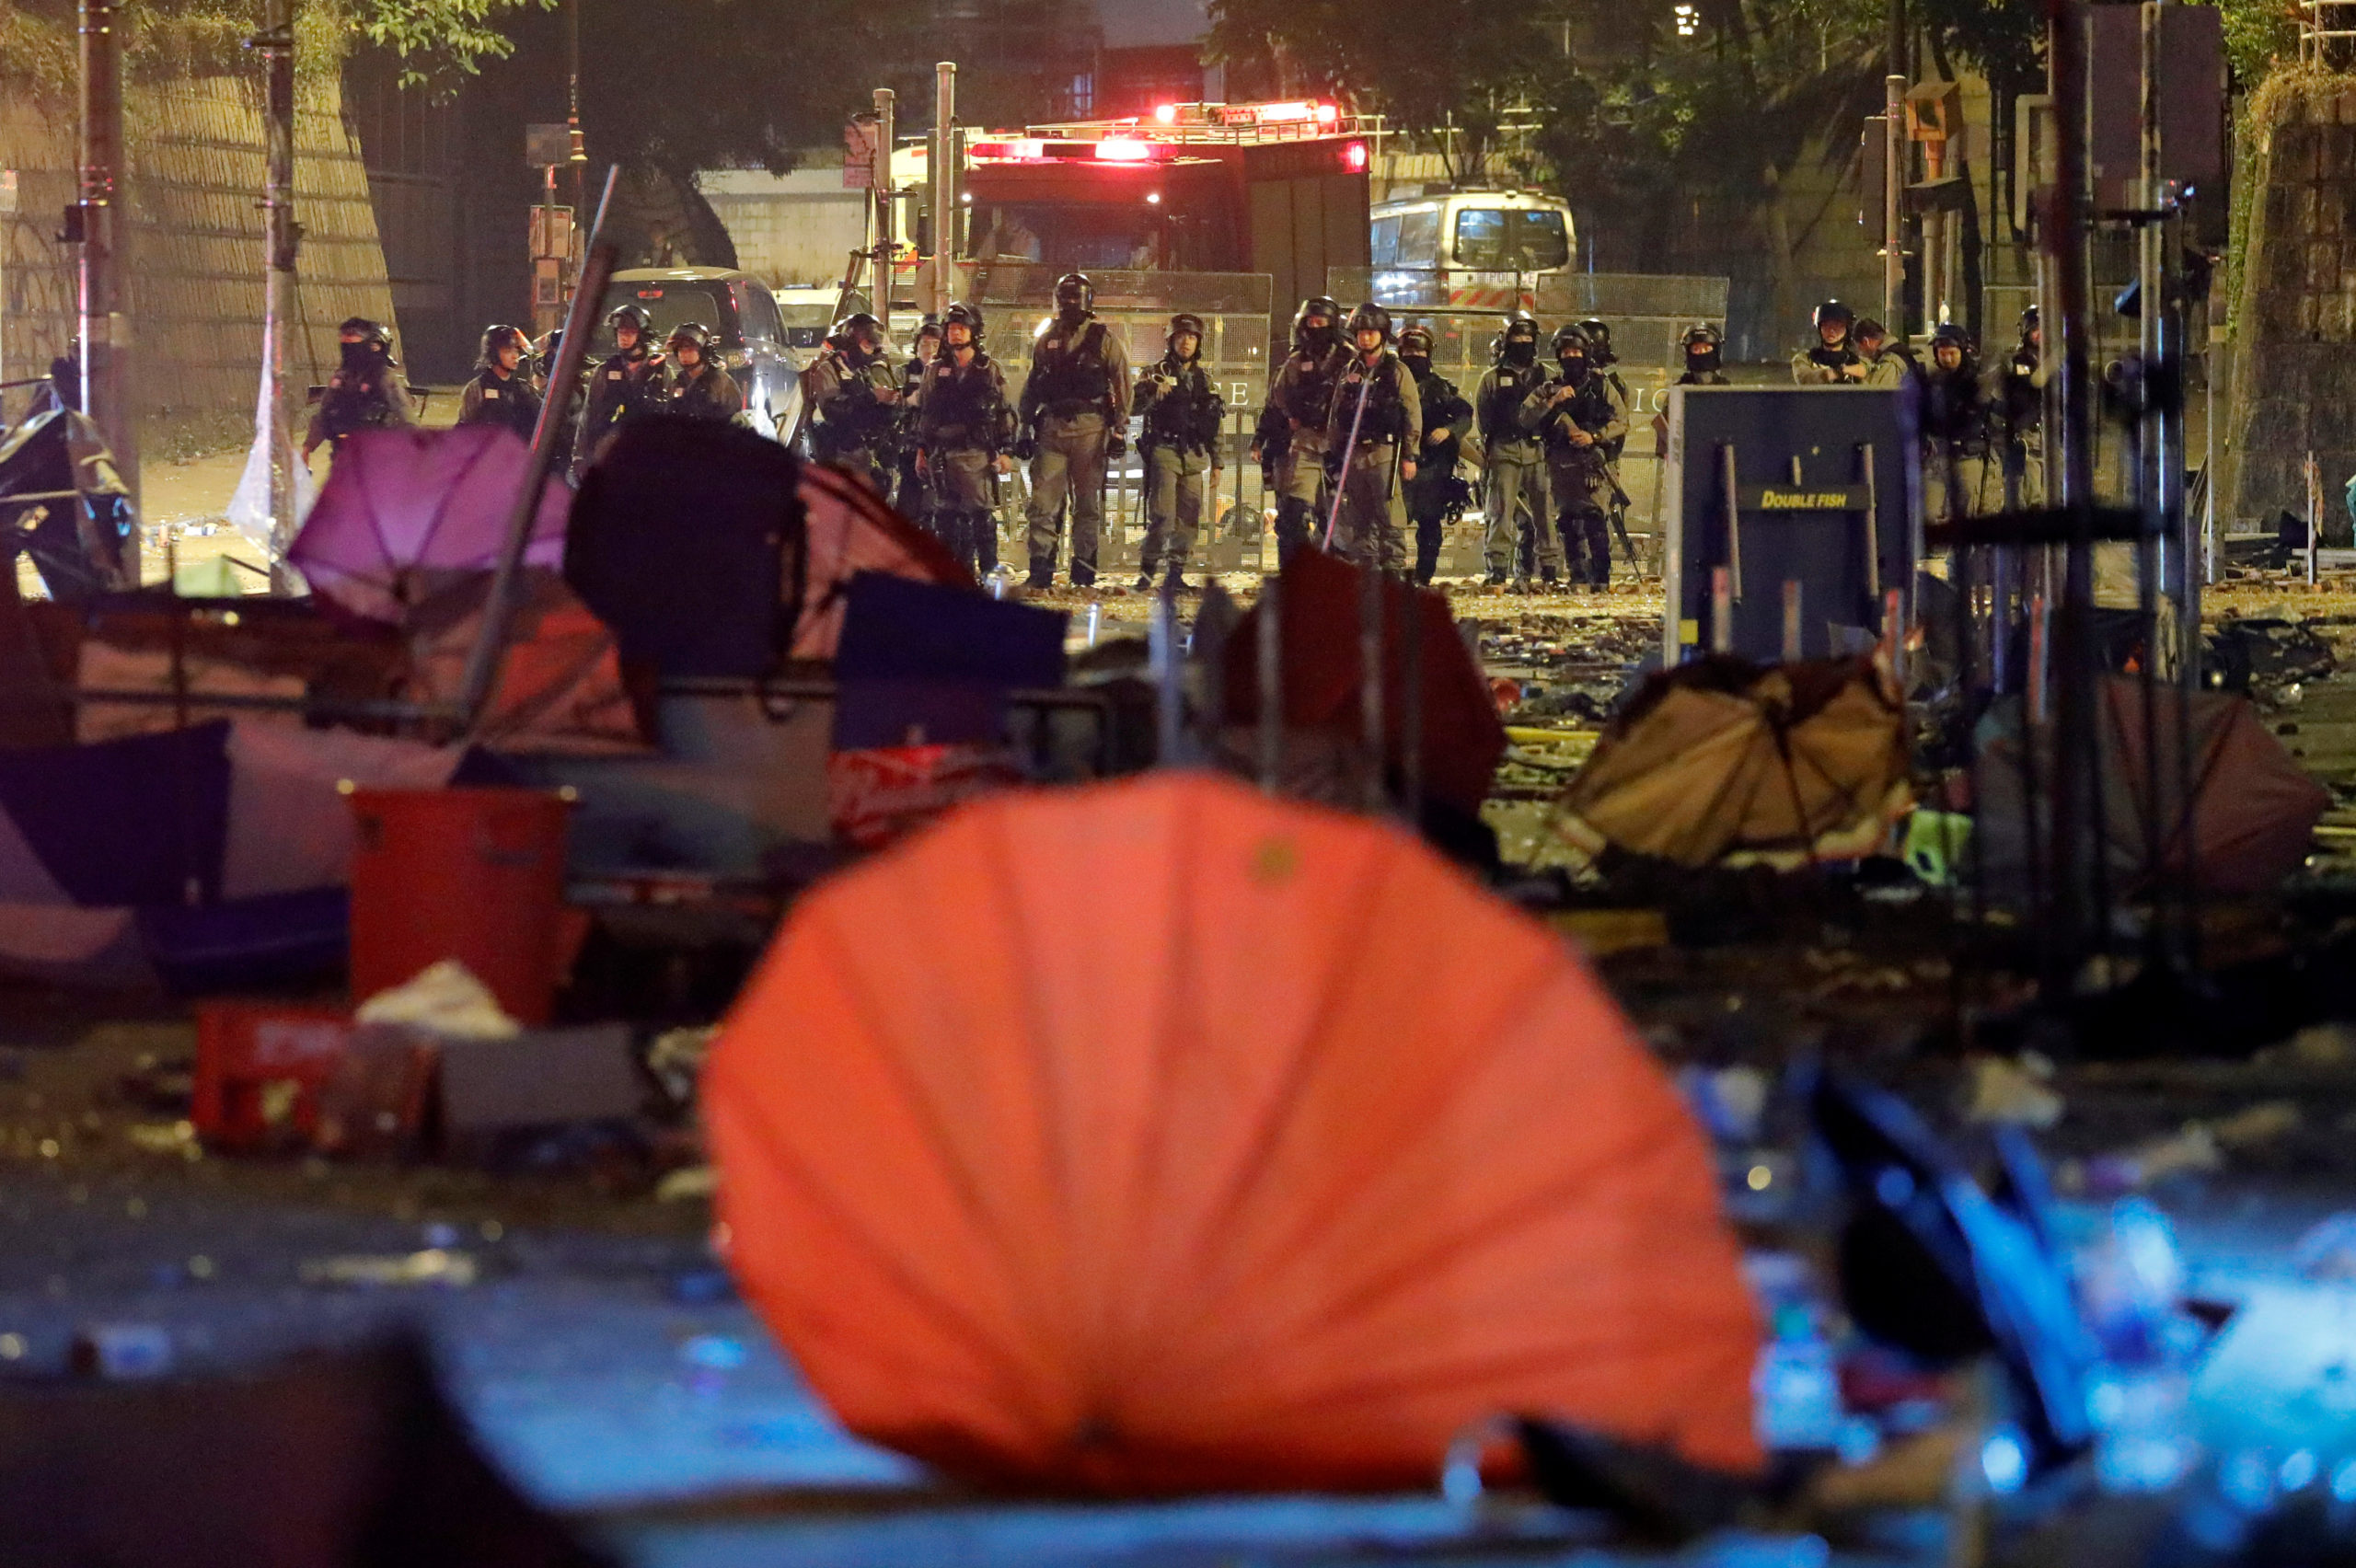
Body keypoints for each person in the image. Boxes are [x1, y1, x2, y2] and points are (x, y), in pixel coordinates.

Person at [1015, 272, 1130, 589]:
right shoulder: (1047, 338)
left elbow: (1122, 386)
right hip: (1052, 427)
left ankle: (1083, 572)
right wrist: (1023, 426)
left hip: (1090, 428)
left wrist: (1119, 429)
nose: (1069, 304)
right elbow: (1033, 385)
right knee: (1043, 504)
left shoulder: (1104, 340)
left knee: (1088, 505)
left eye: (1074, 298)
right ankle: (1040, 571)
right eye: (1064, 298)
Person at [1520, 323, 1626, 590]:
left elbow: (1622, 421)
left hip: (1595, 459)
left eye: (1576, 353)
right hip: (1561, 461)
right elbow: (1525, 417)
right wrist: (1552, 401)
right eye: (1566, 354)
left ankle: (1601, 578)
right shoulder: (1550, 387)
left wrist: (1595, 437)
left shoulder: (1601, 385)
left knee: (1595, 519)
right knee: (1567, 520)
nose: (1571, 358)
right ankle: (1577, 575)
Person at [913, 301, 1013, 579]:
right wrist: (921, 450)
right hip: (942, 454)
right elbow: (926, 413)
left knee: (981, 515)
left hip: (976, 452)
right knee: (945, 517)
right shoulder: (934, 369)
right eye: (951, 329)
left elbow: (1003, 411)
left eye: (961, 328)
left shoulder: (988, 368)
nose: (955, 334)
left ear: (974, 331)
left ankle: (989, 572)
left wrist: (1006, 451)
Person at [1322, 302, 1420, 575]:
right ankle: (1367, 571)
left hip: (1384, 453)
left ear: (1382, 334)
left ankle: (1392, 570)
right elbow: (1336, 414)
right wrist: (1333, 453)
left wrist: (1410, 455)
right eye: (1361, 332)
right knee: (1358, 517)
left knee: (1390, 516)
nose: (1365, 337)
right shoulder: (1349, 371)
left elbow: (1412, 415)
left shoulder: (1397, 371)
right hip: (1353, 456)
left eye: (1371, 332)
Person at [1131, 310, 1225, 592]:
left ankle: (1175, 575)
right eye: (1181, 336)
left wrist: (1218, 462)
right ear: (1171, 340)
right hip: (1165, 449)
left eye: (1192, 337)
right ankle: (1147, 574)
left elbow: (1214, 421)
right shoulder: (1155, 372)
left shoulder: (1204, 379)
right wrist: (1150, 390)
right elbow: (1133, 406)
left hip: (1194, 455)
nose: (1186, 342)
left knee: (1188, 519)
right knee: (1162, 516)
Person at [1254, 295, 1344, 569]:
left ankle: (1333, 574)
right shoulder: (1297, 360)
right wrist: (1292, 416)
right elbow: (1278, 396)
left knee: (1336, 517)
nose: (1315, 326)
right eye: (1311, 321)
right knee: (1292, 514)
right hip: (1306, 441)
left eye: (1321, 321)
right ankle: (1293, 575)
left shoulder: (1348, 356)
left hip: (1341, 444)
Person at [1475, 313, 1553, 589]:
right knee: (1500, 513)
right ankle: (1496, 569)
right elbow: (1483, 418)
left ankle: (1549, 569)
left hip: (1537, 451)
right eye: (1517, 339)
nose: (1523, 343)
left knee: (1544, 514)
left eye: (1527, 339)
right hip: (1504, 450)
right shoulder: (1492, 378)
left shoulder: (1546, 375)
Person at [1397, 324, 1471, 585]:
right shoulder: (1388, 383)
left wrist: (1448, 431)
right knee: (1393, 525)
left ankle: (1423, 576)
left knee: (1429, 524)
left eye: (1419, 351)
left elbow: (1465, 414)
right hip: (1397, 465)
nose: (1414, 356)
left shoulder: (1441, 388)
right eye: (1409, 351)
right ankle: (1391, 575)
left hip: (1432, 468)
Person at [803, 312, 900, 489]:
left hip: (869, 452)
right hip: (843, 453)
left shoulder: (863, 369)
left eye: (873, 347)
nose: (870, 352)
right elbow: (832, 410)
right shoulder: (829, 369)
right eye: (866, 345)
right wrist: (872, 396)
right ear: (852, 341)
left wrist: (890, 403)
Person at [573, 305, 665, 478]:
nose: (624, 337)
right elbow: (589, 414)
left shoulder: (659, 371)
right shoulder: (605, 371)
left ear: (641, 335)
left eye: (630, 332)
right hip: (612, 454)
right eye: (620, 332)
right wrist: (579, 456)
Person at [303, 317, 414, 458]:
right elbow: (324, 414)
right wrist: (307, 448)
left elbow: (405, 416)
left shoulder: (385, 378)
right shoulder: (342, 378)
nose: (346, 340)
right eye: (345, 337)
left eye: (353, 335)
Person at [1920, 322, 1987, 523]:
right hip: (1935, 459)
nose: (1947, 359)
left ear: (1964, 352)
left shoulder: (1977, 380)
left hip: (1966, 458)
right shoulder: (1930, 381)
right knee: (1927, 516)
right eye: (1942, 353)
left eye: (1952, 353)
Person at [1992, 305, 2045, 508]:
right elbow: (2000, 397)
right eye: (2035, 329)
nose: (2040, 334)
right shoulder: (2015, 361)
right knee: (2027, 491)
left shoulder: (2056, 360)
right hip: (2024, 431)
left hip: (2051, 432)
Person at [456, 324, 543, 443]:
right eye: (508, 351)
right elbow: (464, 430)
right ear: (493, 354)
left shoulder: (523, 389)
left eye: (516, 351)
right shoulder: (477, 388)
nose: (515, 356)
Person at [894, 316, 943, 520]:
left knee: (935, 504)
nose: (929, 349)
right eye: (924, 344)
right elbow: (889, 401)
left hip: (938, 445)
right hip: (909, 445)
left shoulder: (948, 372)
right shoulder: (904, 372)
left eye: (935, 344)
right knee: (908, 502)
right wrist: (907, 401)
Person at [663, 323, 745, 422]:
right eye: (680, 349)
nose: (684, 354)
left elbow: (734, 416)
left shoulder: (719, 380)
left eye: (689, 348)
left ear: (702, 351)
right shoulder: (679, 382)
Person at [1791, 300, 1865, 385]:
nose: (1831, 330)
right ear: (1820, 328)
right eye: (1826, 325)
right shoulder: (1805, 359)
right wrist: (1840, 372)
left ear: (1847, 329)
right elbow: (1805, 379)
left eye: (1837, 325)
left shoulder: (1858, 360)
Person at [1677, 321, 1729, 386]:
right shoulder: (1679, 391)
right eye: (1696, 349)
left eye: (1707, 349)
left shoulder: (1727, 391)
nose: (1702, 353)